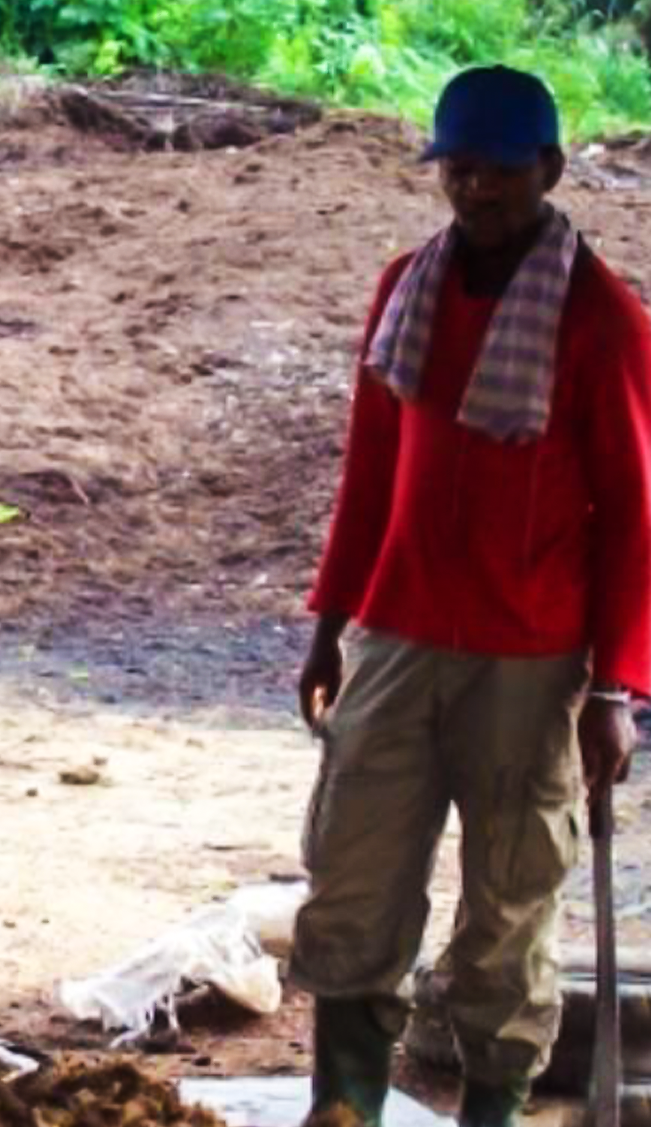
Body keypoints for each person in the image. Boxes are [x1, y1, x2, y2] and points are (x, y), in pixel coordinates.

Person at [293, 65, 650, 1127]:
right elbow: (367, 473)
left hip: (530, 653)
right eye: (457, 169)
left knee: (507, 896)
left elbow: (636, 515)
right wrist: (327, 628)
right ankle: (343, 1102)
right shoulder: (406, 284)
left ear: (544, 169)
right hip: (397, 633)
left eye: (498, 171)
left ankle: (489, 1106)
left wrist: (613, 687)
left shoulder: (600, 317)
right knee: (353, 867)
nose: (475, 191)